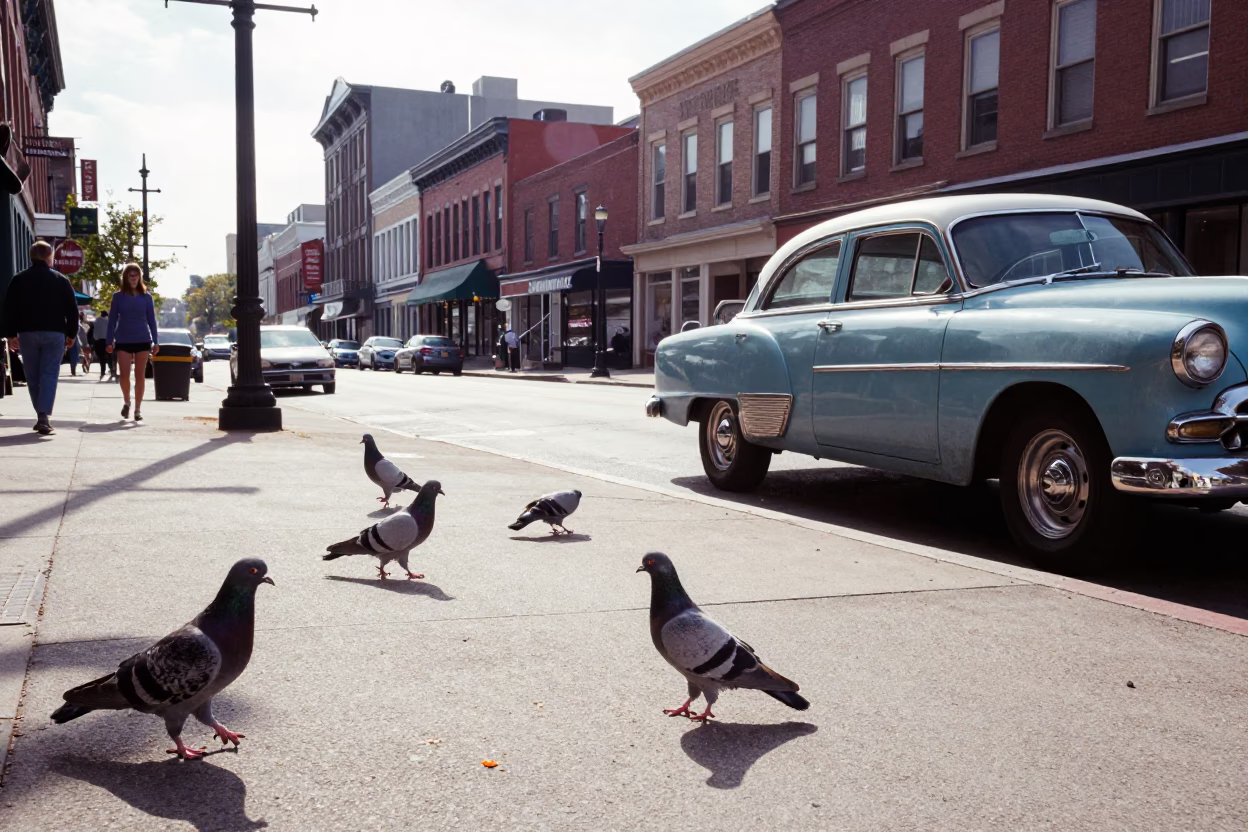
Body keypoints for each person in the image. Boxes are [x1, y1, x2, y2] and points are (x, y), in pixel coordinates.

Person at [0, 241, 79, 434]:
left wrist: (10, 334)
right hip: (55, 334)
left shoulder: (19, 279)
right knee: (49, 374)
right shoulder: (61, 280)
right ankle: (43, 416)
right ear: (49, 256)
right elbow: (72, 309)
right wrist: (71, 334)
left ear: (31, 256)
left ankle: (41, 416)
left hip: (27, 334)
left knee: (33, 376)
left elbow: (8, 308)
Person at [106, 263, 160, 421]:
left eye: (136, 275)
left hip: (143, 339)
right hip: (123, 339)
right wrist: (109, 341)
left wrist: (156, 341)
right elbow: (112, 320)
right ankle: (127, 402)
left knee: (140, 375)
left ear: (140, 277)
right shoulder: (118, 297)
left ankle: (137, 409)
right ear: (126, 277)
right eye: (131, 275)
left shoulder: (146, 297)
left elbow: (152, 320)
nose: (134, 278)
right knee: (124, 375)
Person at [92, 309, 114, 381]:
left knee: (102, 358)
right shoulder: (108, 322)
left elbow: (94, 332)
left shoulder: (96, 322)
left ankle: (102, 372)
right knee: (110, 356)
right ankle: (112, 371)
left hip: (98, 341)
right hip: (107, 341)